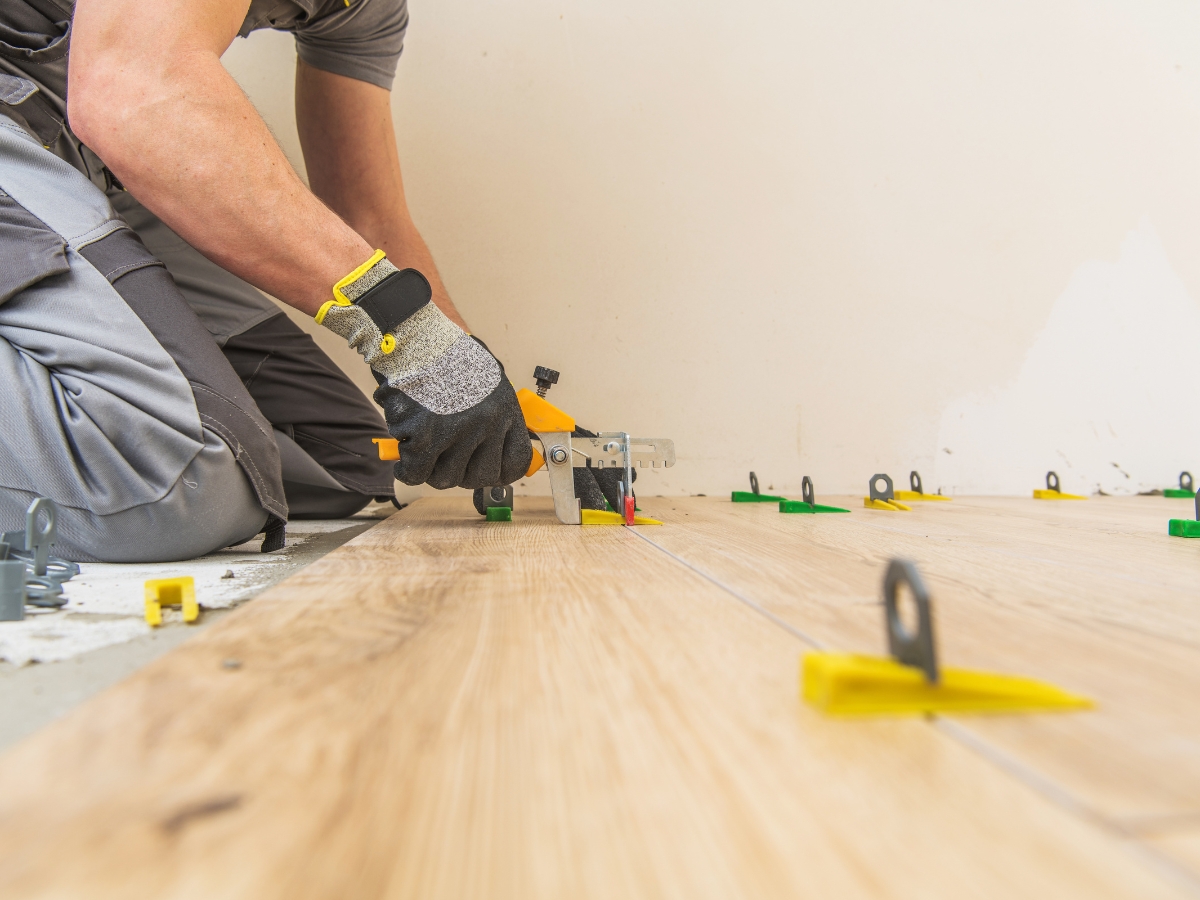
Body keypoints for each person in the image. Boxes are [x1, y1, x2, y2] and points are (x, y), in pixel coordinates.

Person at [0, 0, 531, 562]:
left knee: (348, 466)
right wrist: (425, 351)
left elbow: (369, 216)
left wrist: (465, 367)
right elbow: (129, 94)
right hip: (52, 135)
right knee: (173, 490)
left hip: (78, 156)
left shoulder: (366, 11)